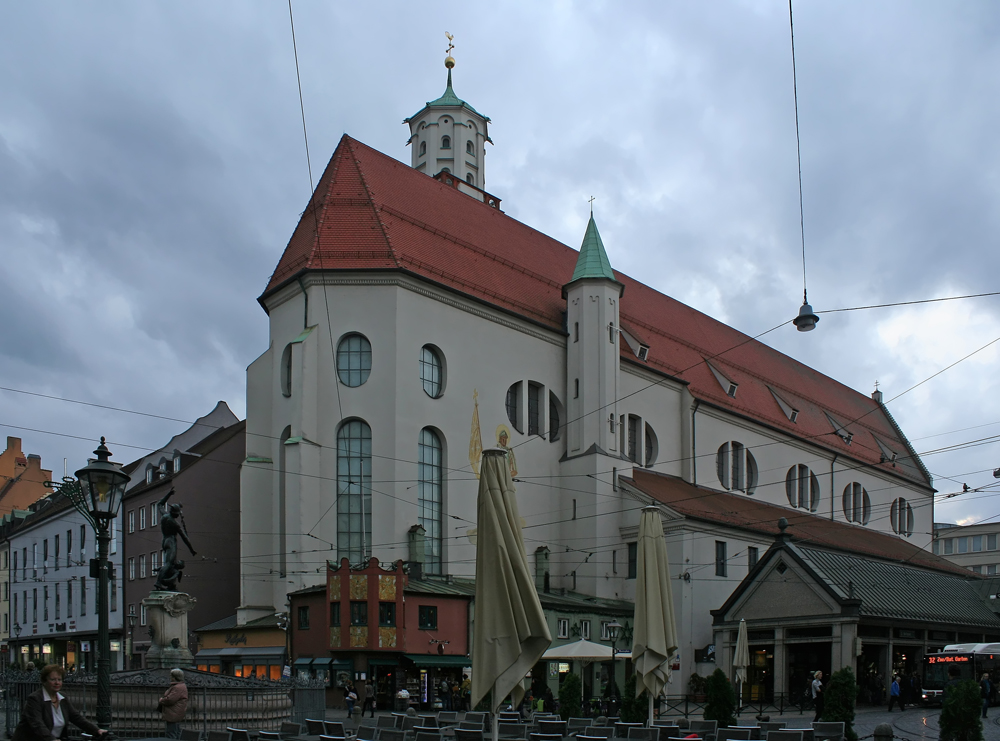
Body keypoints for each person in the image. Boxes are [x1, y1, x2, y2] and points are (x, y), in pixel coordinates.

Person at [12, 664, 107, 741]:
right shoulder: (35, 699)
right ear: (44, 681)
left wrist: (96, 731)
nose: (57, 683)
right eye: (53, 680)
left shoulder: (62, 698)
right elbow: (37, 724)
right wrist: (51, 739)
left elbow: (76, 717)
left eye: (59, 680)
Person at [154, 487, 198, 591]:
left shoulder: (164, 516)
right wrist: (192, 550)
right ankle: (159, 582)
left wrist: (169, 494)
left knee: (172, 564)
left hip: (164, 541)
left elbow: (159, 504)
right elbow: (184, 538)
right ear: (175, 514)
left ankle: (170, 584)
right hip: (171, 542)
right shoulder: (174, 523)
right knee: (169, 564)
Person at [158, 668, 189, 739]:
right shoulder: (180, 686)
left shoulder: (177, 687)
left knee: (171, 734)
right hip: (176, 713)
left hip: (173, 713)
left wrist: (161, 700)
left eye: (171, 676)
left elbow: (170, 700)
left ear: (174, 677)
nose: (170, 678)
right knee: (176, 732)